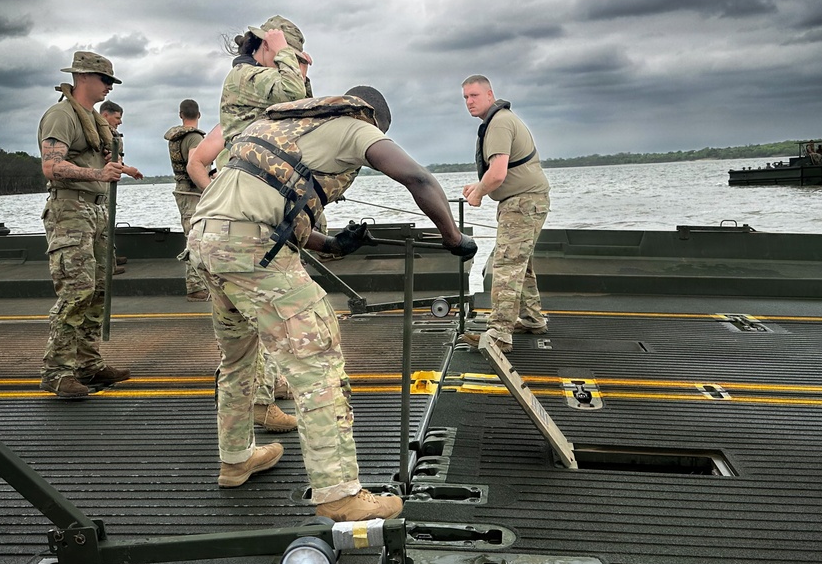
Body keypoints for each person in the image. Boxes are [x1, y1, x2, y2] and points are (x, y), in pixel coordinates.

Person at [187, 87, 476, 521]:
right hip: (251, 251)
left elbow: (269, 202)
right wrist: (454, 238)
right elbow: (418, 178)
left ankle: (235, 459)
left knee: (238, 359)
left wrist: (334, 244)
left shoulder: (276, 124)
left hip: (206, 242)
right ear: (374, 119)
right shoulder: (356, 127)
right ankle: (338, 494)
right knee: (318, 364)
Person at [188, 15, 316, 433]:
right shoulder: (244, 78)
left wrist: (297, 67)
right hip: (245, 217)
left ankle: (251, 419)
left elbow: (303, 112)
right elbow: (293, 95)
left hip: (264, 209)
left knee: (250, 324)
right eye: (283, 53)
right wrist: (284, 54)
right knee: (260, 318)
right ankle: (258, 403)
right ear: (265, 45)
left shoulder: (265, 93)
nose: (290, 63)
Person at [37, 51, 133, 399]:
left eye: (110, 81)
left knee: (98, 291)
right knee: (75, 292)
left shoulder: (94, 119)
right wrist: (97, 173)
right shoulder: (61, 117)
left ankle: (87, 364)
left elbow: (101, 159)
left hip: (96, 211)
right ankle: (57, 371)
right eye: (104, 79)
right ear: (82, 78)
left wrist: (120, 167)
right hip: (70, 211)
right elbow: (52, 167)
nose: (108, 86)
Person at [460, 75, 550, 354]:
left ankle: (499, 334)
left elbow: (498, 173)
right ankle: (533, 318)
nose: (469, 102)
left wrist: (478, 193)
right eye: (465, 98)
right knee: (521, 262)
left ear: (490, 94)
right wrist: (479, 185)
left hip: (522, 203)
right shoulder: (501, 121)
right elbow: (505, 170)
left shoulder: (498, 123)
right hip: (529, 201)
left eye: (474, 95)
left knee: (507, 265)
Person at [164, 99, 209, 301]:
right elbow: (194, 165)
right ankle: (196, 286)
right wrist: (209, 187)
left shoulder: (175, 138)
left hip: (183, 192)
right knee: (196, 238)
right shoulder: (194, 139)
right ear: (198, 115)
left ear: (181, 114)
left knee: (193, 236)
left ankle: (197, 284)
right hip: (194, 194)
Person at [98, 100, 144, 275]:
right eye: (117, 117)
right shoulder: (100, 133)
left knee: (108, 221)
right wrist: (128, 170)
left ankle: (110, 256)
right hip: (101, 185)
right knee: (103, 225)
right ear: (105, 115)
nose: (120, 121)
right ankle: (107, 263)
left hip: (107, 186)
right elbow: (108, 160)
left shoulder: (111, 133)